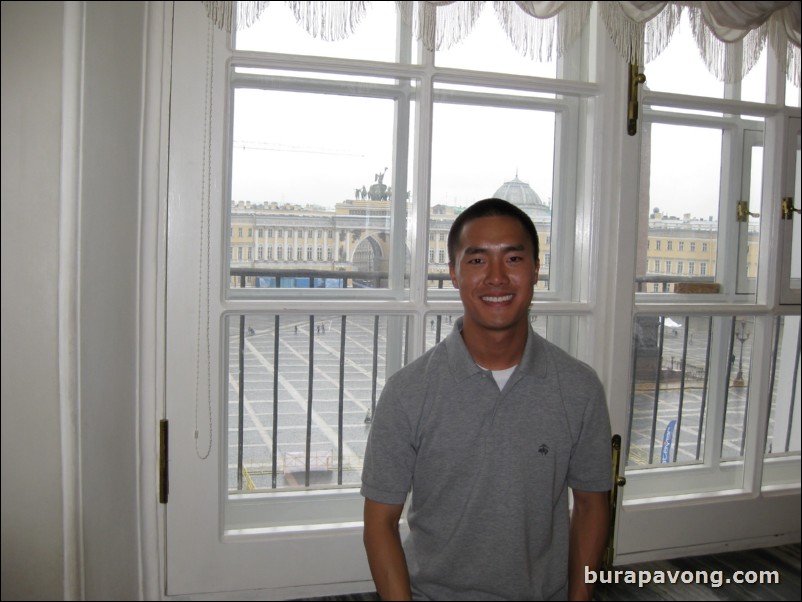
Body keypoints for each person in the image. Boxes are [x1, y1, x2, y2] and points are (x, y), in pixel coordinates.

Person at [361, 198, 612, 601]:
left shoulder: (579, 388)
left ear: (535, 270)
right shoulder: (408, 392)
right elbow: (380, 523)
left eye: (512, 258)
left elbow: (590, 505)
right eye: (477, 261)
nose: (496, 277)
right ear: (453, 274)